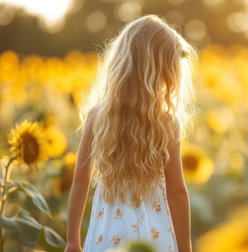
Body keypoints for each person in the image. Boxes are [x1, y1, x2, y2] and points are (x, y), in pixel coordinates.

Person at [65, 15, 197, 252]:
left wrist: (72, 240)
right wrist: (186, 249)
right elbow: (177, 192)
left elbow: (80, 180)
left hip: (106, 231)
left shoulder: (98, 116)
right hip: (153, 232)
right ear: (164, 71)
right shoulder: (166, 122)